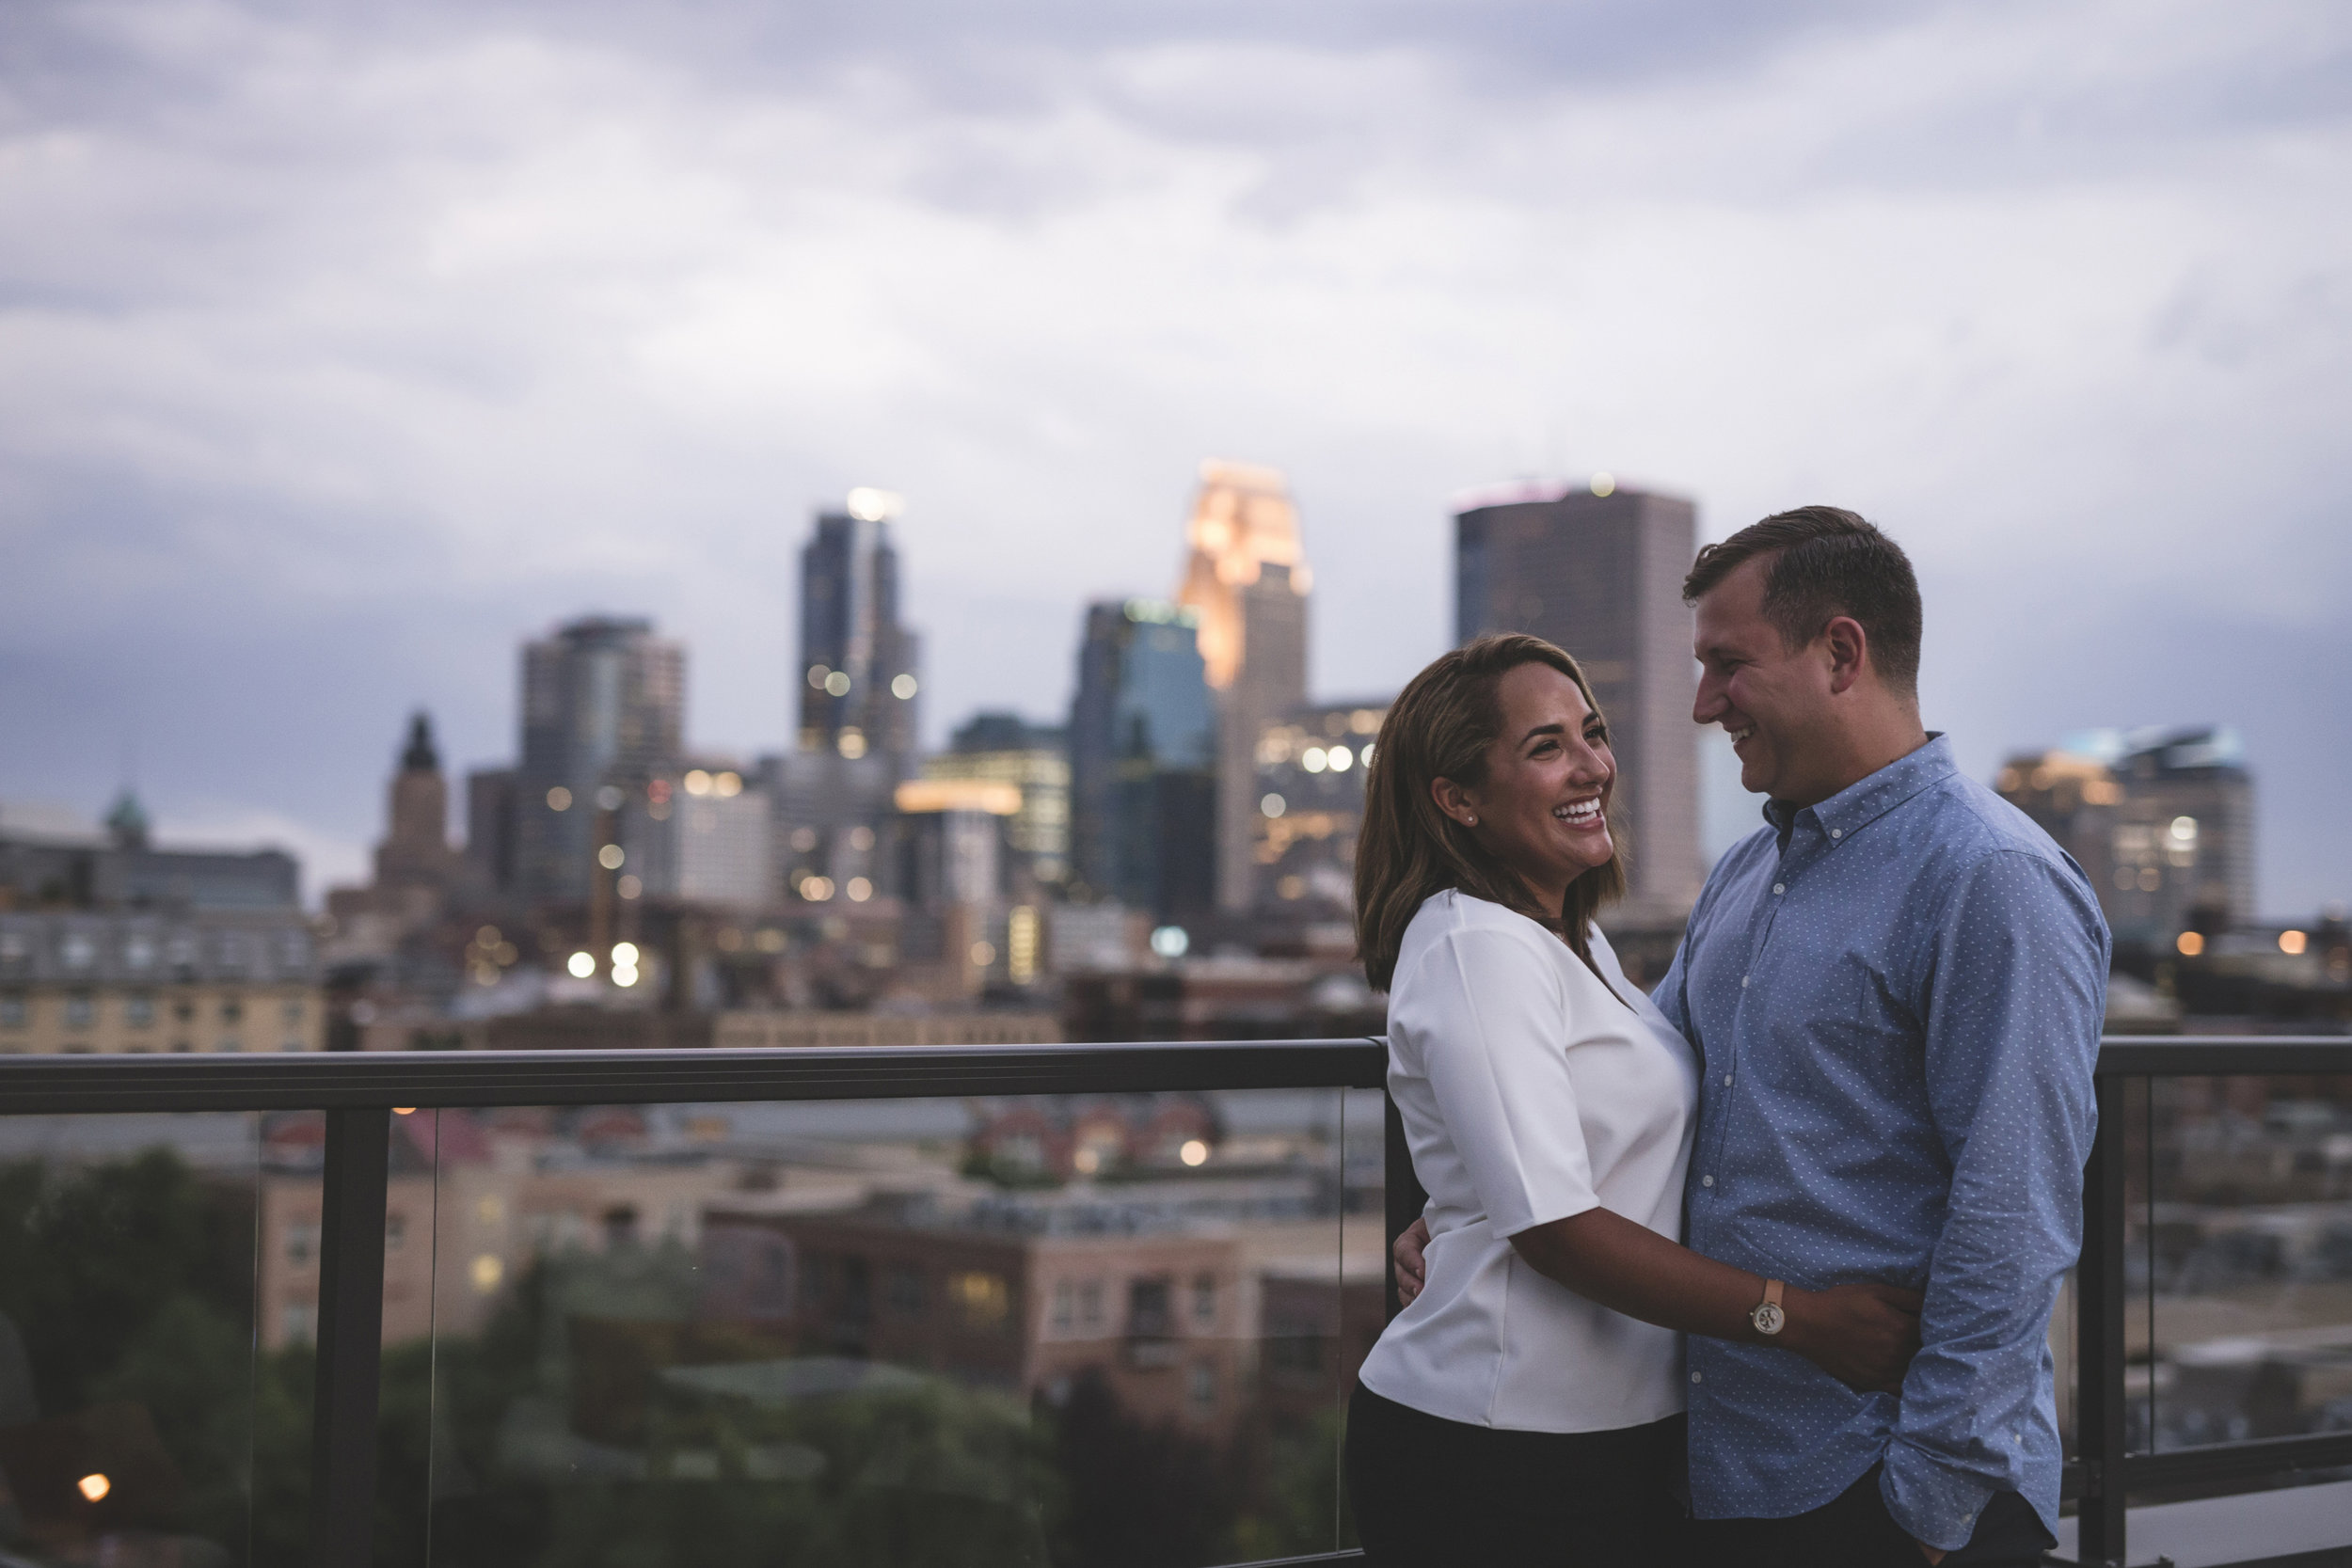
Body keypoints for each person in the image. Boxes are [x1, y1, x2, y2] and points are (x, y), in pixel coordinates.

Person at [1396, 509, 2108, 1566]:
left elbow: (2013, 1216)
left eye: (1728, 664)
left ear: (1839, 653)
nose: (1699, 703)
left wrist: (1930, 1506)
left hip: (1876, 1480)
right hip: (1717, 1471)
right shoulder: (1746, 873)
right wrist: (1467, 1201)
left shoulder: (1988, 879)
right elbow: (1645, 1091)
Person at [1348, 631, 1924, 1568]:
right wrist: (1802, 1319)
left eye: (1592, 732)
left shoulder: (1574, 943)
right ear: (1455, 798)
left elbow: (1563, 1152)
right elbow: (1555, 1226)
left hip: (1612, 1440)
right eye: (1545, 747)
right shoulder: (1475, 946)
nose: (1593, 766)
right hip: (1494, 1450)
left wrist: (1454, 1216)